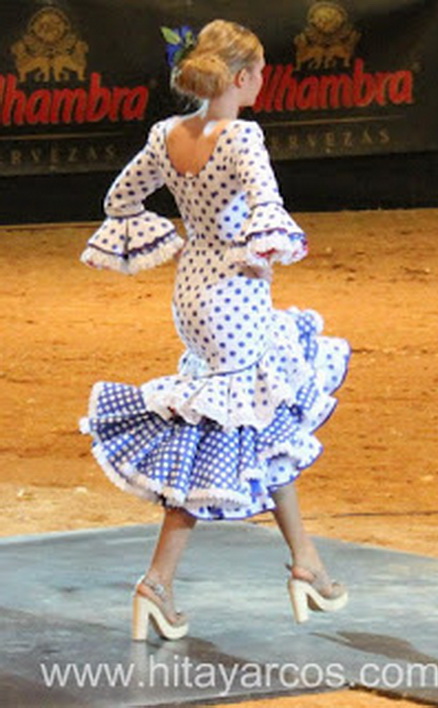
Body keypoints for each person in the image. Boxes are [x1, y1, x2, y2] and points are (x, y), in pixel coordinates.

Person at [80, 19, 350, 641]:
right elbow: (265, 206)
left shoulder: (167, 134)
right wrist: (257, 252)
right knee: (221, 435)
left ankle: (306, 563)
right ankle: (157, 580)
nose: (263, 79)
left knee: (261, 423)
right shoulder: (241, 138)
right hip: (233, 293)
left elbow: (121, 198)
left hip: (192, 289)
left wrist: (179, 240)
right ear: (238, 77)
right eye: (257, 71)